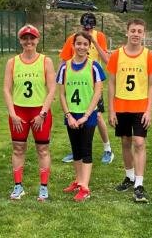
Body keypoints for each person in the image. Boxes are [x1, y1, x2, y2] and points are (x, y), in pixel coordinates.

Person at [107, 18, 152, 203]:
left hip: (140, 106)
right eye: (133, 30)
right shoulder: (116, 55)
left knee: (139, 142)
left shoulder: (149, 55)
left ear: (143, 34)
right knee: (125, 141)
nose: (136, 34)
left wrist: (149, 110)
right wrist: (111, 109)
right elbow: (111, 83)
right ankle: (129, 177)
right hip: (121, 106)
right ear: (127, 32)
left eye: (139, 31)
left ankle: (139, 183)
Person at [3, 25, 56, 201]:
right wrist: (12, 114)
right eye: (25, 38)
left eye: (32, 38)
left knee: (42, 149)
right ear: (20, 40)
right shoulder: (13, 62)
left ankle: (43, 187)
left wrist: (42, 113)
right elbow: (6, 89)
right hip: (19, 112)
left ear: (37, 40)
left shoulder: (45, 61)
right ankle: (18, 186)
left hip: (39, 111)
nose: (28, 41)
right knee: (18, 148)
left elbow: (52, 88)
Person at [57, 31, 106, 201]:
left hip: (88, 114)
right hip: (72, 115)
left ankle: (85, 187)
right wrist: (68, 115)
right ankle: (78, 181)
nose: (81, 47)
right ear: (73, 45)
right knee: (75, 149)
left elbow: (98, 92)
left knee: (86, 148)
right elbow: (62, 94)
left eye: (85, 44)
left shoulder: (94, 66)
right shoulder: (65, 67)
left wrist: (86, 115)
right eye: (78, 43)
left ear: (89, 47)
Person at [59, 12, 114, 165]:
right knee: (74, 115)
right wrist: (59, 82)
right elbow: (64, 61)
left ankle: (107, 148)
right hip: (75, 84)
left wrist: (94, 42)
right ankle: (76, 150)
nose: (88, 30)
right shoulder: (73, 38)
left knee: (97, 116)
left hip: (92, 83)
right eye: (85, 27)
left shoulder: (99, 36)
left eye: (90, 28)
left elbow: (107, 61)